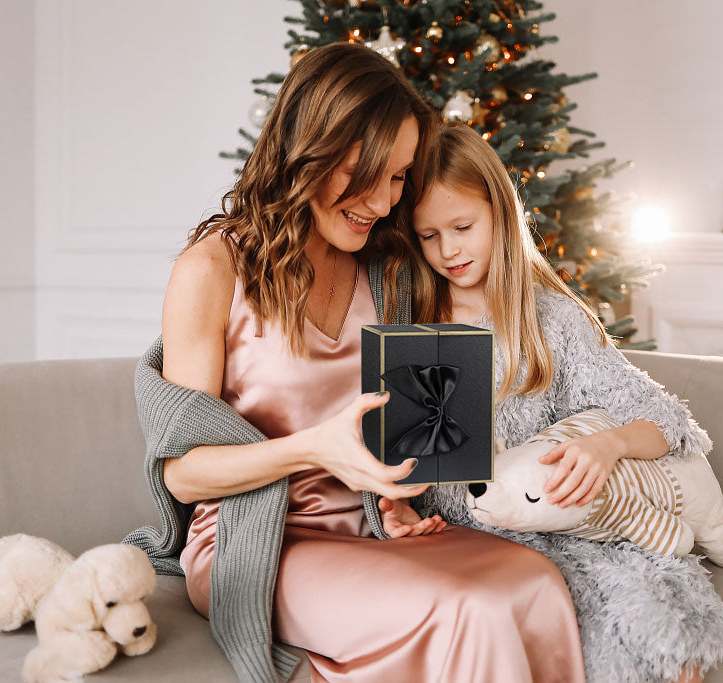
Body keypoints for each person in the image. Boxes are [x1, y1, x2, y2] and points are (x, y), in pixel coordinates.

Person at [148, 43, 586, 682]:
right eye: (368, 172)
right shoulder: (211, 272)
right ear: (310, 149)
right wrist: (314, 449)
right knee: (471, 608)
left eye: (399, 176)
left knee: (537, 581)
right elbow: (182, 477)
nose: (384, 201)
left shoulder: (384, 266)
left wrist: (396, 500)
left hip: (373, 531)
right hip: (258, 542)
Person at [408, 124, 723, 683]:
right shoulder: (407, 321)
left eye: (463, 227)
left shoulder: (551, 320)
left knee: (658, 626)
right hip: (457, 538)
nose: (448, 251)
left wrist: (607, 445)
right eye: (428, 236)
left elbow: (663, 418)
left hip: (561, 529)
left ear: (500, 215)